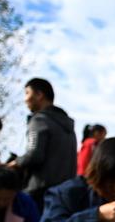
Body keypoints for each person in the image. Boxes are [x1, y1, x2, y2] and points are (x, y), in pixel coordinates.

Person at [10, 78, 76, 210]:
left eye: (27, 93)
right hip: (63, 194)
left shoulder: (39, 120)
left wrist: (15, 163)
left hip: (39, 193)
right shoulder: (66, 125)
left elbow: (34, 155)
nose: (25, 99)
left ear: (39, 95)